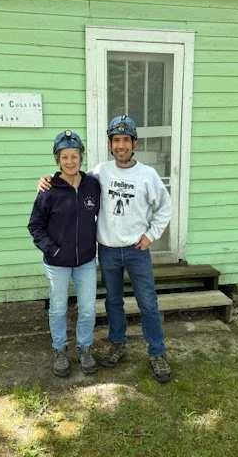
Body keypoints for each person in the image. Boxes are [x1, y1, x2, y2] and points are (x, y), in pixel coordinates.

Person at [39, 115, 173, 382]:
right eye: (116, 140)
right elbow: (71, 181)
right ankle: (117, 344)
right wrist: (46, 180)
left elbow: (164, 207)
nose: (121, 145)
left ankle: (157, 353)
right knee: (113, 302)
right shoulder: (100, 172)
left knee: (148, 303)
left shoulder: (147, 175)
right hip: (108, 251)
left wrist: (151, 235)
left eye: (125, 140)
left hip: (137, 250)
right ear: (110, 144)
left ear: (134, 143)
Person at [28, 130, 101, 378]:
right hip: (57, 263)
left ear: (81, 157)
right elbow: (35, 226)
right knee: (58, 308)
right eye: (65, 156)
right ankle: (60, 350)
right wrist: (54, 249)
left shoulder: (93, 185)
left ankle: (85, 348)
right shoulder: (48, 189)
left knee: (88, 308)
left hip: (86, 261)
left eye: (75, 156)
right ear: (57, 159)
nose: (70, 161)